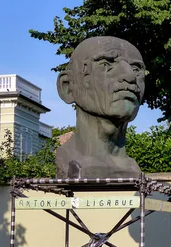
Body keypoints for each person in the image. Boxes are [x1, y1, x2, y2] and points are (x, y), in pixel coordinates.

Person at [55, 36, 145, 178]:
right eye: (106, 64)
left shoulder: (132, 168)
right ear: (67, 87)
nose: (130, 76)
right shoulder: (70, 159)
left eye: (136, 69)